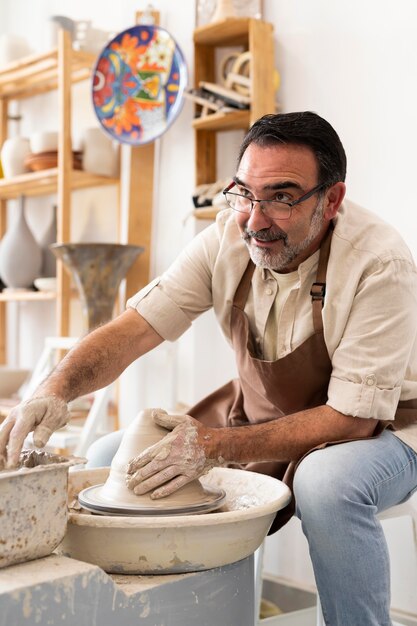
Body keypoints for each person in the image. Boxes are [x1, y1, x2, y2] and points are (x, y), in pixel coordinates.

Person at [1, 111, 417, 625]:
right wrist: (54, 388)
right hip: (265, 412)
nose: (255, 218)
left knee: (325, 483)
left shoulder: (379, 262)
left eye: (282, 197)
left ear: (331, 201)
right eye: (244, 193)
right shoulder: (228, 238)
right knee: (114, 456)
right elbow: (133, 330)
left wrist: (214, 447)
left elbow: (351, 419)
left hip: (386, 428)